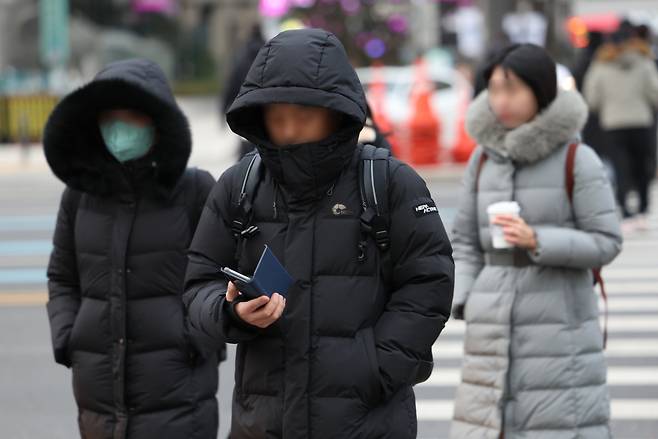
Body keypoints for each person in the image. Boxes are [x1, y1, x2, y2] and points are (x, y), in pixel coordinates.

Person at [183, 28, 455, 439]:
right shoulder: (239, 186)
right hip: (263, 422)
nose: (289, 130)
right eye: (277, 118)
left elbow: (429, 283)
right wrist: (231, 313)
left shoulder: (390, 182)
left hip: (368, 421)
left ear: (336, 113)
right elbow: (197, 285)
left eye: (304, 116)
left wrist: (375, 366)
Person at [450, 44, 622, 438]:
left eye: (512, 90)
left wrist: (537, 238)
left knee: (557, 424)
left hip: (559, 322)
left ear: (540, 91)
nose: (501, 101)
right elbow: (463, 240)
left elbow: (606, 241)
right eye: (494, 89)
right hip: (490, 322)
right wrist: (467, 297)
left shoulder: (577, 159)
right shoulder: (482, 160)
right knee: (489, 425)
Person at [44, 59, 219, 439]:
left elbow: (222, 279)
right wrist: (68, 336)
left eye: (133, 117)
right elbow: (61, 276)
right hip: (98, 401)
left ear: (157, 122)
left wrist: (198, 338)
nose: (120, 129)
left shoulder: (196, 192)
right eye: (110, 118)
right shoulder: (78, 197)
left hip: (179, 400)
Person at [584, 31, 658, 232]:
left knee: (620, 167)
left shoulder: (600, 65)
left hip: (613, 123)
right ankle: (643, 209)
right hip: (641, 121)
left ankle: (626, 211)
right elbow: (654, 92)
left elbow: (592, 98)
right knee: (643, 166)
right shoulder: (644, 62)